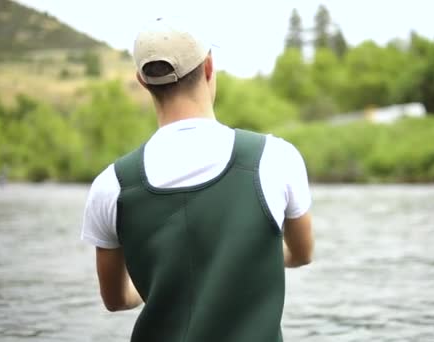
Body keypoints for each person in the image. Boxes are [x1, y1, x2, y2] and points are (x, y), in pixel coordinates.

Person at [80, 18, 314, 342]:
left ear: (143, 81)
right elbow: (302, 253)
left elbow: (116, 299)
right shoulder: (276, 158)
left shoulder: (111, 185)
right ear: (208, 67)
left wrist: (160, 286)